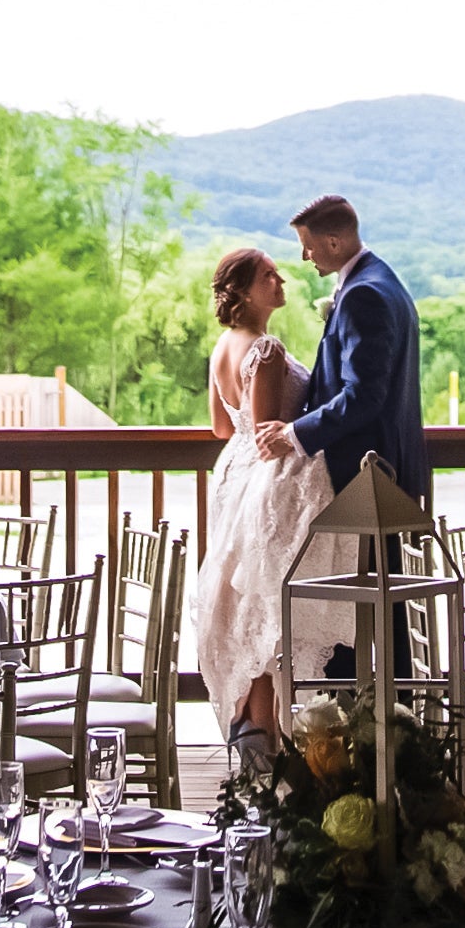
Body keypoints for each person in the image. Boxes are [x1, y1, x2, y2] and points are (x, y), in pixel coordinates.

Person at [250, 196, 426, 678]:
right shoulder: (378, 281)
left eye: (308, 247)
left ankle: (373, 734)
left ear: (333, 240)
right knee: (379, 614)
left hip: (368, 476)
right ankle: (384, 727)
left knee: (364, 611)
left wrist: (294, 433)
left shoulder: (365, 294)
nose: (305, 257)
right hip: (380, 473)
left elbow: (364, 396)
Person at [194, 244, 336, 737]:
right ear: (242, 291)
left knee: (250, 605)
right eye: (269, 277)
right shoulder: (265, 350)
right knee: (268, 606)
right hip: (266, 484)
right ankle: (262, 734)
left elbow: (220, 426)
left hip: (232, 474)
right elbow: (268, 433)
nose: (281, 282)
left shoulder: (223, 346)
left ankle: (255, 733)